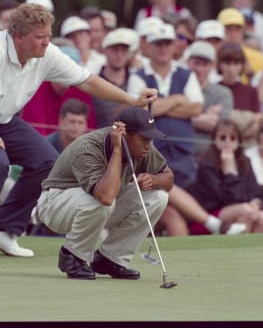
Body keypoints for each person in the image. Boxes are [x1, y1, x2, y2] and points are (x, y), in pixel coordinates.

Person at [0, 3, 157, 259]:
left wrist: (131, 99)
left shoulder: (46, 53)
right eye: (40, 38)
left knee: (47, 162)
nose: (46, 43)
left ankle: (3, 230)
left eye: (48, 36)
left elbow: (87, 80)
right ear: (19, 36)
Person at [36, 107, 172, 279]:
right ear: (123, 134)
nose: (148, 145)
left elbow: (169, 179)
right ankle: (73, 256)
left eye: (150, 139)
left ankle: (111, 259)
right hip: (55, 205)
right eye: (144, 139)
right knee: (102, 200)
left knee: (158, 197)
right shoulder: (88, 148)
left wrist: (153, 179)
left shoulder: (144, 148)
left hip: (93, 203)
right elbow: (105, 196)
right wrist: (117, 150)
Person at [127, 23, 203, 190]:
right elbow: (140, 111)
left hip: (183, 154)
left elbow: (196, 109)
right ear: (149, 47)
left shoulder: (186, 74)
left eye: (167, 43)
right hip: (150, 154)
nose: (163, 49)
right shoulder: (138, 76)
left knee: (187, 191)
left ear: (174, 46)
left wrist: (156, 105)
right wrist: (176, 99)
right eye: (158, 44)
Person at [189, 119, 263, 234]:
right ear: (214, 140)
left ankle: (253, 250)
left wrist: (255, 203)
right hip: (210, 216)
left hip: (241, 208)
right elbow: (228, 199)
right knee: (245, 211)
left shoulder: (245, 162)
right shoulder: (206, 166)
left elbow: (255, 190)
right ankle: (238, 250)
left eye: (232, 138)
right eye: (222, 138)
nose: (228, 142)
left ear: (238, 142)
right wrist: (229, 171)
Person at [20, 42, 98, 135]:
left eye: (71, 71)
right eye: (61, 69)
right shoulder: (37, 87)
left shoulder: (82, 91)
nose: (66, 74)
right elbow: (36, 131)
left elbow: (89, 130)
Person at [186, 41, 234, 157]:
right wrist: (202, 118)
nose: (199, 69)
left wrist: (184, 118)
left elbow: (220, 126)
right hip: (179, 154)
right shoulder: (176, 88)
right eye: (196, 63)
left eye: (205, 64)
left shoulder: (222, 93)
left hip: (209, 157)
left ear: (212, 66)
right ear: (188, 63)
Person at [217, 42, 261, 146]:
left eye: (236, 63)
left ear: (242, 66)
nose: (231, 69)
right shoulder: (214, 89)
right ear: (220, 64)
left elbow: (257, 117)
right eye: (227, 63)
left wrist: (245, 134)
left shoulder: (251, 90)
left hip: (245, 143)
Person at [93, 28, 138, 127]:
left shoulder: (137, 79)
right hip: (102, 138)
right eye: (114, 50)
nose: (119, 55)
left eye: (123, 50)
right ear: (105, 51)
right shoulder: (95, 81)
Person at [217, 7, 263, 84]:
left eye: (237, 29)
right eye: (228, 29)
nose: (233, 34)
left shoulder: (258, 58)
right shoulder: (213, 56)